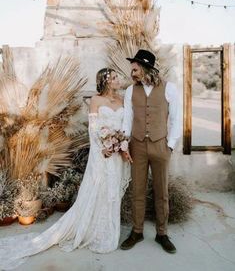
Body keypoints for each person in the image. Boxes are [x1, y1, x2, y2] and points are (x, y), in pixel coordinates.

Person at [0, 68, 131, 270]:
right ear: (105, 82)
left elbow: (125, 128)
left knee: (112, 193)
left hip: (117, 156)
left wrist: (121, 146)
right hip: (103, 155)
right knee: (100, 191)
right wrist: (104, 150)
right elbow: (94, 131)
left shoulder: (123, 100)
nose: (118, 80)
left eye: (117, 77)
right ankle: (94, 231)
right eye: (113, 78)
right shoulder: (96, 101)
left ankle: (108, 231)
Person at [120, 49, 180, 253]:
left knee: (161, 191)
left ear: (145, 68)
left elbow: (176, 119)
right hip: (137, 146)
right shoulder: (130, 91)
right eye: (132, 67)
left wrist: (170, 145)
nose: (132, 70)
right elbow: (127, 119)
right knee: (137, 190)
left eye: (135, 67)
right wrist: (124, 143)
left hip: (160, 145)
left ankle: (162, 233)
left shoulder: (169, 88)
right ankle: (137, 231)